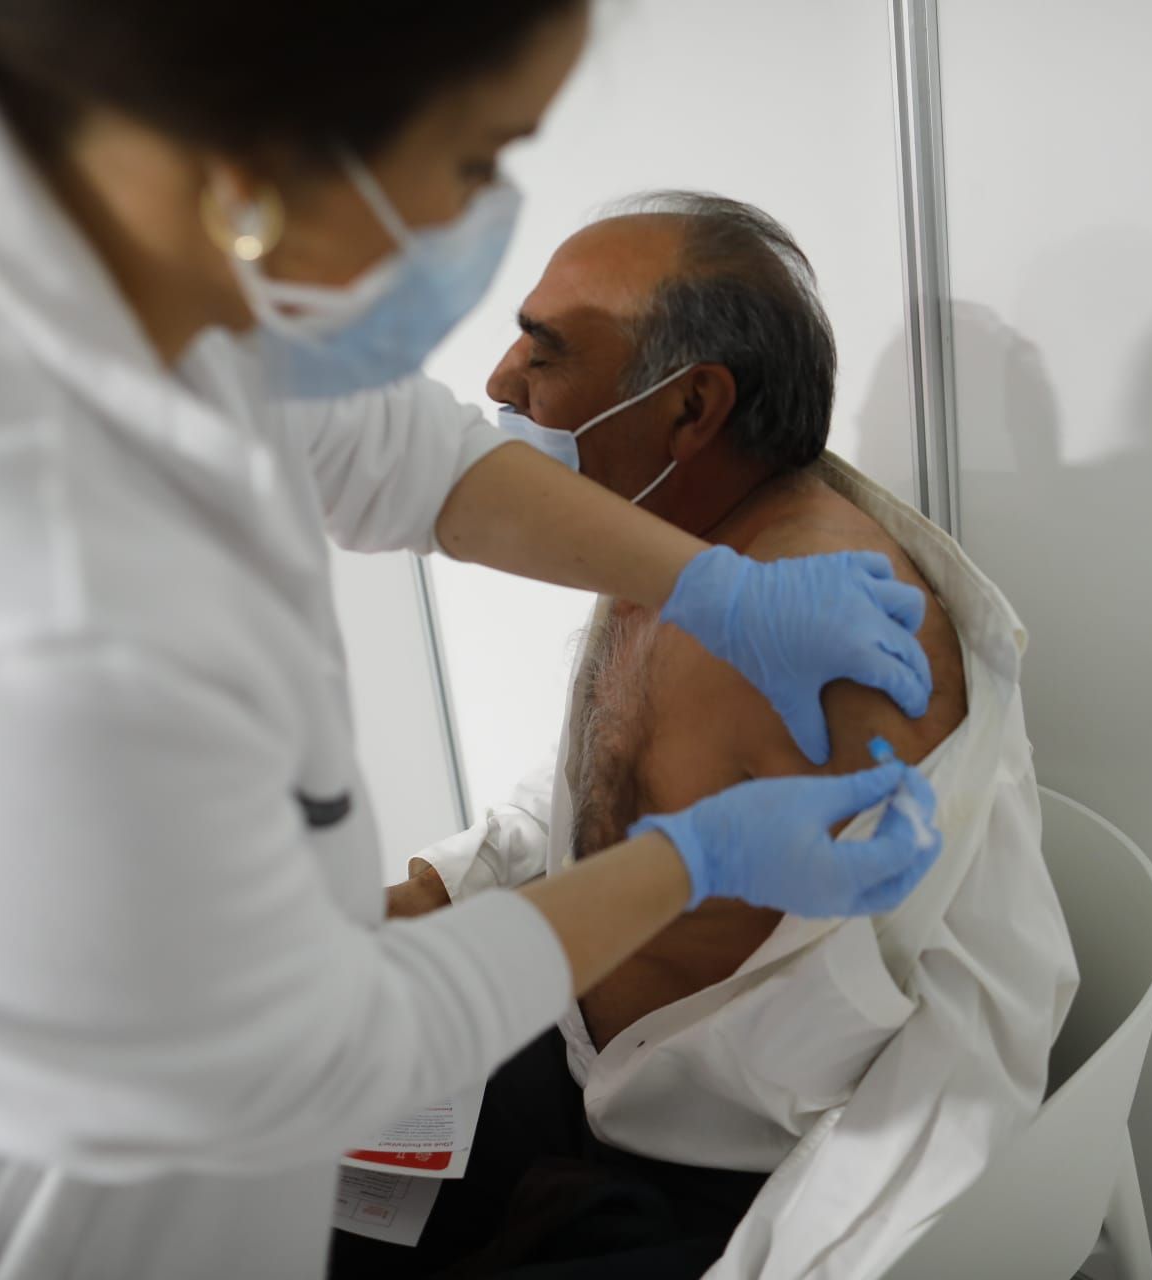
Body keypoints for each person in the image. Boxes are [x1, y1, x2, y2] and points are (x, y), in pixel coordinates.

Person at [0, 6, 946, 1279]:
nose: (485, 220)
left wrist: (715, 591)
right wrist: (691, 860)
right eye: (474, 159)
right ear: (260, 158)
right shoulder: (19, 596)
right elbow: (320, 1049)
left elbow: (406, 450)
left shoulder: (118, 249)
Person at [370, 194, 1079, 1277]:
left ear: (691, 406)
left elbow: (958, 1045)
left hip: (728, 1178)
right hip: (586, 1079)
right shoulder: (676, 548)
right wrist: (443, 881)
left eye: (545, 352)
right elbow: (603, 789)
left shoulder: (841, 643)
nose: (501, 380)